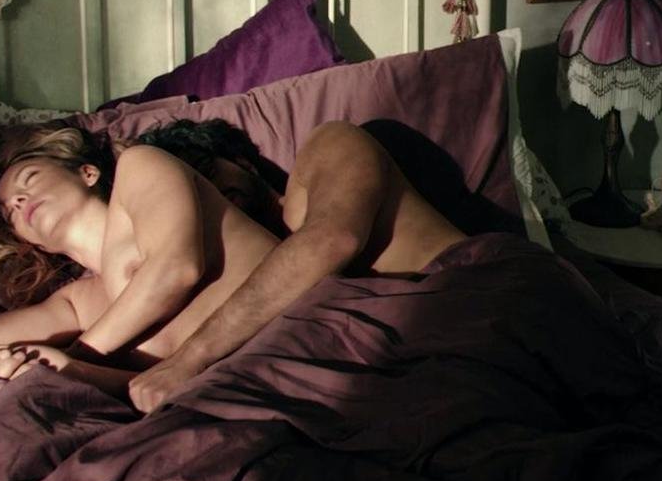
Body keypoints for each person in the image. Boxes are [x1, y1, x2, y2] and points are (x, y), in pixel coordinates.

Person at [0, 123, 281, 396]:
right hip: (239, 392)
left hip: (293, 332)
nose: (18, 200)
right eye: (9, 210)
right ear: (35, 244)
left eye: (29, 179)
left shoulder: (141, 167)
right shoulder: (79, 303)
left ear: (87, 173)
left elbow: (176, 270)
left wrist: (80, 356)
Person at [124, 120, 468, 413]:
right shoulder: (240, 286)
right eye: (194, 192)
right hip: (396, 370)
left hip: (458, 298)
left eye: (205, 170)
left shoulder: (328, 143)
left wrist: (190, 359)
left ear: (242, 162)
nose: (210, 189)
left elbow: (334, 238)